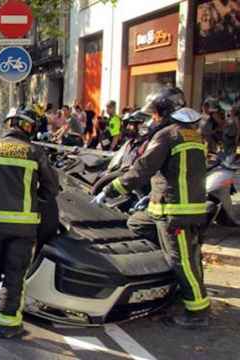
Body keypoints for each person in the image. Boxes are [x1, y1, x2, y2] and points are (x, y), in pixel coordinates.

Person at [93, 88, 211, 329]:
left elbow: (143, 168)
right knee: (137, 222)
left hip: (175, 212)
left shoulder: (167, 135)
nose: (152, 119)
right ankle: (174, 282)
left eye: (155, 114)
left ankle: (197, 311)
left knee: (181, 261)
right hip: (186, 207)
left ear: (165, 113)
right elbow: (179, 172)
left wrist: (111, 189)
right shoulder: (193, 134)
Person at [0, 107, 59, 339]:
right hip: (23, 228)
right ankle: (8, 325)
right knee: (14, 276)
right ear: (27, 126)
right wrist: (30, 199)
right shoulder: (35, 152)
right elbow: (51, 190)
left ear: (8, 124)